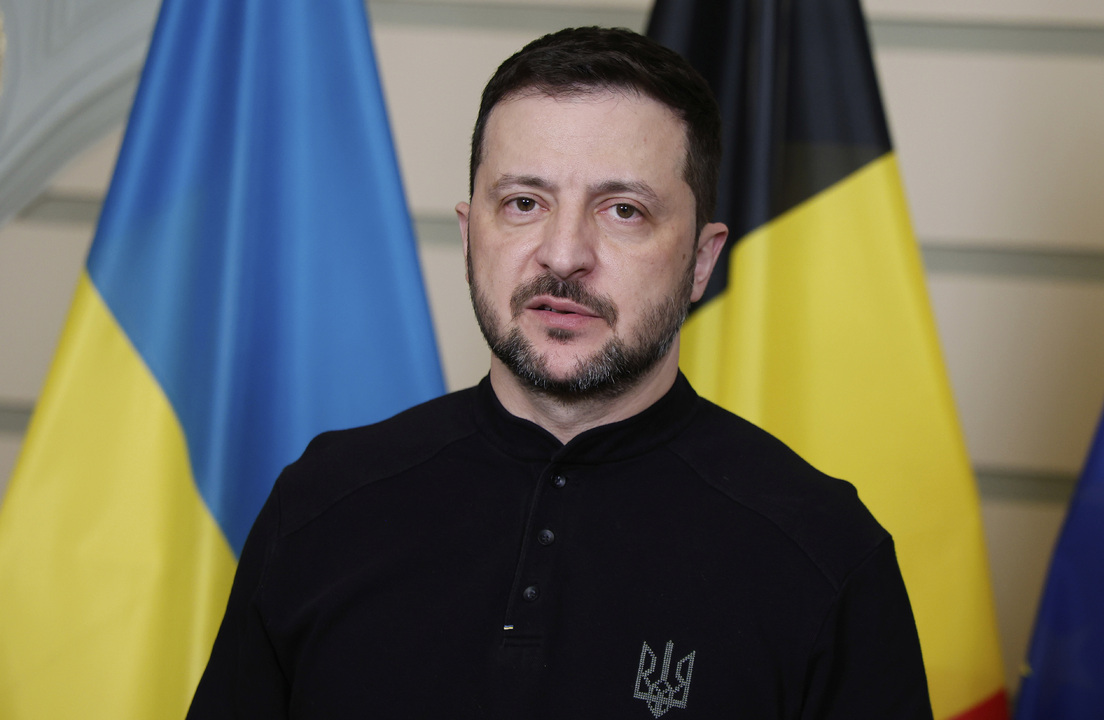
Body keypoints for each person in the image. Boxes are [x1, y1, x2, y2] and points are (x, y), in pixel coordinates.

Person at [187, 26, 930, 719]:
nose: (564, 254)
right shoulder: (319, 508)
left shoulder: (825, 551)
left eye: (623, 211)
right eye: (523, 203)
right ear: (470, 234)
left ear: (702, 260)